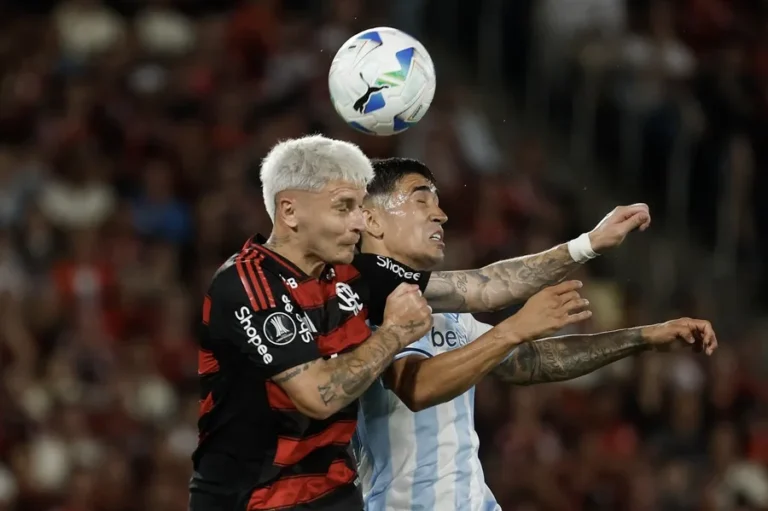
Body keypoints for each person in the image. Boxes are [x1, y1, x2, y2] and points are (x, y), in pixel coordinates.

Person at [190, 134, 650, 511]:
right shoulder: (248, 284)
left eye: (359, 208)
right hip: (249, 499)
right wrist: (395, 333)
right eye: (344, 207)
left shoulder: (356, 274)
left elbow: (484, 286)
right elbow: (316, 395)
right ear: (289, 212)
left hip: (332, 496)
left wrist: (588, 244)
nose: (358, 221)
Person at [353, 157, 719, 511]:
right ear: (371, 219)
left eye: (438, 202)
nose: (440, 214)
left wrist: (643, 338)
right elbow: (417, 387)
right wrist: (513, 329)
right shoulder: (358, 301)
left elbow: (535, 360)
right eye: (421, 200)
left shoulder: (443, 311)